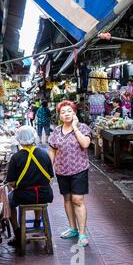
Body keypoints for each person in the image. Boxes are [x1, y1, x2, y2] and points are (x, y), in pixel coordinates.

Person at [48, 101, 92, 248]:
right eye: (63, 112)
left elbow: (85, 144)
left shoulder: (83, 128)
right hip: (61, 170)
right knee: (67, 198)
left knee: (77, 199)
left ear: (74, 113)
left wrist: (74, 127)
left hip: (79, 169)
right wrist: (49, 171)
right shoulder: (56, 131)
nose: (66, 114)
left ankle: (83, 234)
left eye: (69, 111)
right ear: (59, 116)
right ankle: (73, 228)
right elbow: (52, 151)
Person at [5, 126, 54, 248]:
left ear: (19, 140)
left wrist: (15, 185)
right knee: (36, 189)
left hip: (24, 196)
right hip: (44, 194)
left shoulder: (16, 157)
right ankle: (37, 222)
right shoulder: (44, 154)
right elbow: (50, 177)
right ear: (34, 138)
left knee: (8, 202)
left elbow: (11, 182)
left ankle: (17, 232)